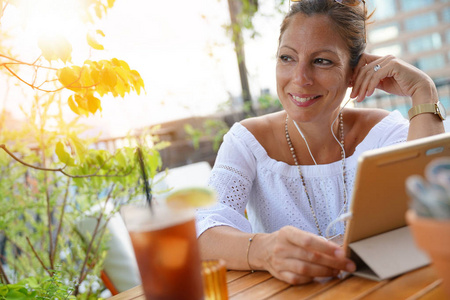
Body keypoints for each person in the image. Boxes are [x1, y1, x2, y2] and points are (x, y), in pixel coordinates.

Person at [196, 0, 445, 285]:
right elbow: (204, 230)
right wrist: (264, 251)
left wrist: (423, 91)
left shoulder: (384, 133)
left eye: (322, 61)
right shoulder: (247, 141)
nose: (300, 78)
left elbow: (438, 205)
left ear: (355, 72)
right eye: (287, 58)